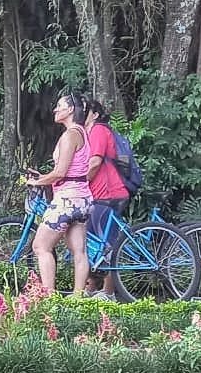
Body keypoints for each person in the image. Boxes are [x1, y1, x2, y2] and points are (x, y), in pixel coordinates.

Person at [26, 91, 92, 295]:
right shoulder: (83, 133)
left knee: (40, 246)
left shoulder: (70, 135)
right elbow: (71, 171)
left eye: (59, 106)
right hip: (83, 199)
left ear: (70, 110)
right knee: (79, 252)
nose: (55, 109)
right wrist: (45, 177)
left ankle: (49, 296)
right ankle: (77, 299)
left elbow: (61, 172)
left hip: (67, 201)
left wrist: (37, 181)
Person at [84, 96, 130, 301]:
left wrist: (78, 181)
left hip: (109, 194)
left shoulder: (99, 130)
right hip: (97, 195)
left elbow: (94, 163)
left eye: (85, 110)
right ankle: (91, 288)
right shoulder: (87, 133)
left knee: (109, 244)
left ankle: (109, 291)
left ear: (94, 114)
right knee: (92, 243)